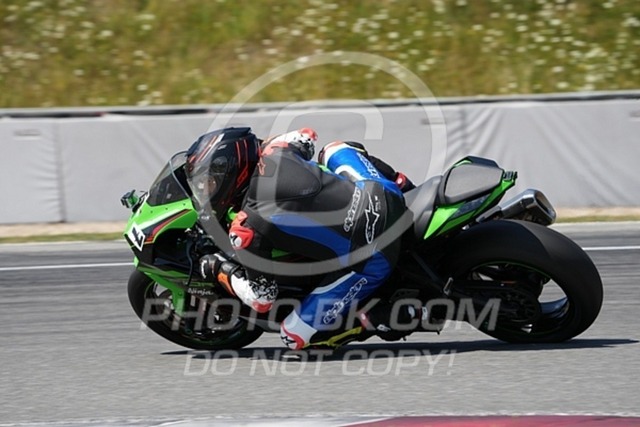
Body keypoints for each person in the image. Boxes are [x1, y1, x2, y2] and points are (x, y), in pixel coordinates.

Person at [187, 126, 418, 350]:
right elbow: (307, 136)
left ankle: (381, 318)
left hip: (374, 255)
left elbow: (263, 299)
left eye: (209, 184)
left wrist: (219, 269)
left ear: (229, 175)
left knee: (293, 336)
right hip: (383, 193)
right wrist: (272, 144)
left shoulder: (246, 227)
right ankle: (405, 186)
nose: (205, 192)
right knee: (335, 149)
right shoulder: (277, 150)